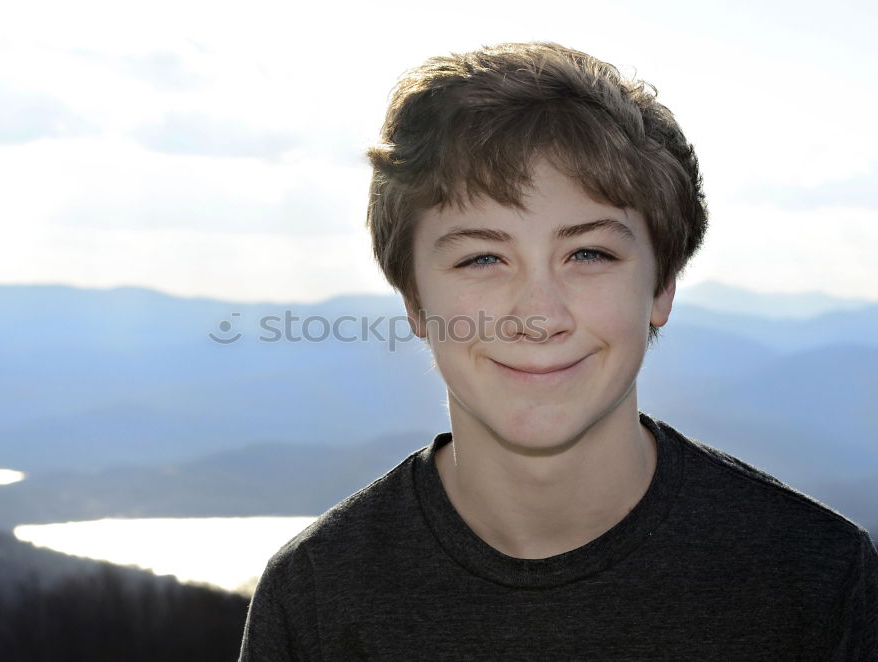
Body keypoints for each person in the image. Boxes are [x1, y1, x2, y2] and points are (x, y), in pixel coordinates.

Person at [238, 41, 878, 660]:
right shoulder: (316, 595)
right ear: (413, 303)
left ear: (660, 287)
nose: (539, 316)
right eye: (483, 257)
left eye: (589, 253)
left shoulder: (817, 577)